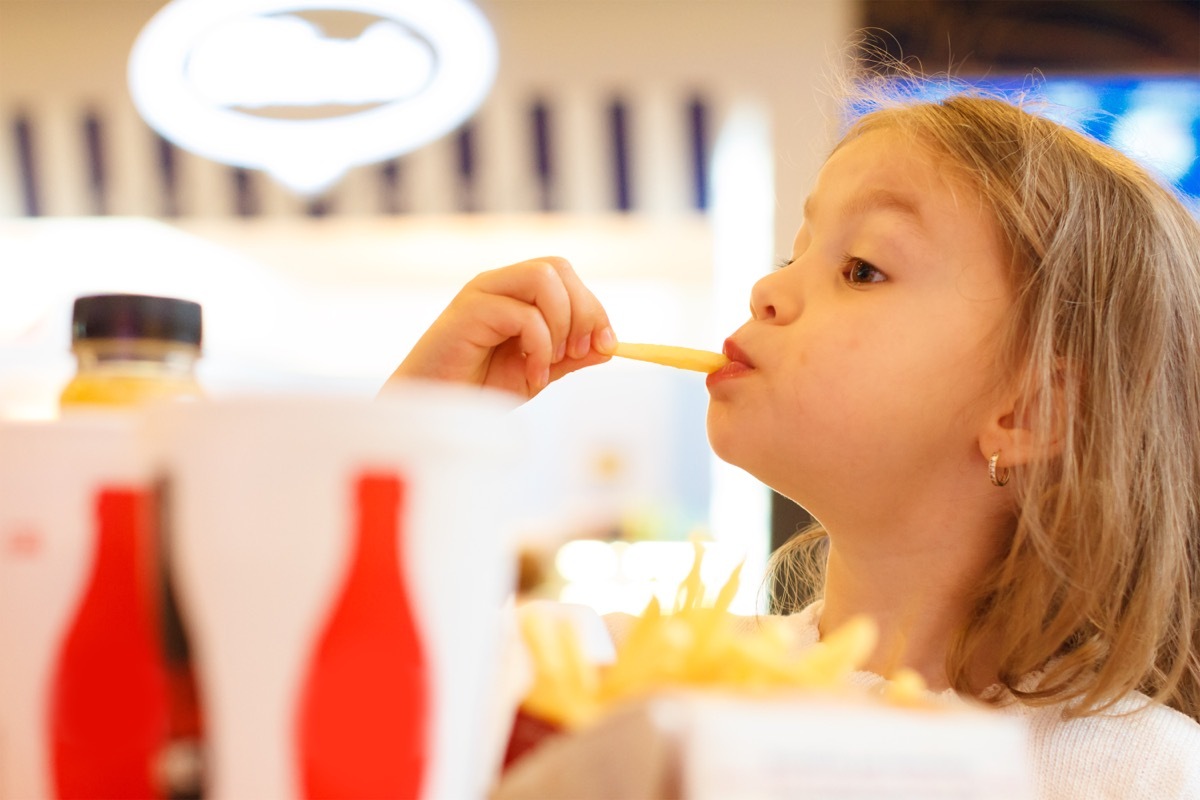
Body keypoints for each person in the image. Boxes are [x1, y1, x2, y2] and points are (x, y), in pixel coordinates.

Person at [383, 78, 1200, 797]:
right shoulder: (630, 692)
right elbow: (355, 709)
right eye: (795, 253)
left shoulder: (1151, 776)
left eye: (862, 268)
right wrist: (412, 433)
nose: (768, 287)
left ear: (1032, 413)